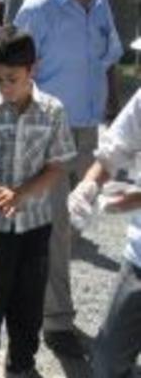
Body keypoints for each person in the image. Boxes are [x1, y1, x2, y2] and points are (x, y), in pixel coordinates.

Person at [14, 0, 124, 358]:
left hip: (89, 129)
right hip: (48, 130)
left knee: (76, 221)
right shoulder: (37, 8)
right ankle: (56, 321)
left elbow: (110, 57)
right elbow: (13, 72)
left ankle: (43, 291)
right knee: (57, 227)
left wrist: (114, 111)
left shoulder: (101, 4)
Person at [0, 26, 76, 377]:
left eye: (12, 78)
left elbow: (58, 167)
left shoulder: (53, 111)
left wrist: (22, 194)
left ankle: (21, 363)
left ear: (32, 70)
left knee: (28, 306)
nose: (4, 87)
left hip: (35, 227)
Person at [67, 83, 141, 377]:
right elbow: (114, 149)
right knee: (108, 360)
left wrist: (133, 199)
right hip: (138, 259)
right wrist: (88, 187)